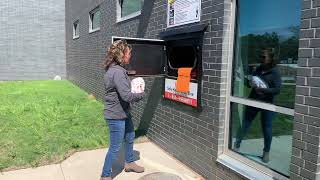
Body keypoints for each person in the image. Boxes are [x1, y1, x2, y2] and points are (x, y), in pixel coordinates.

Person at [101, 39, 145, 180]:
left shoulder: (115, 70)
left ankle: (130, 163)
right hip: (116, 115)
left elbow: (121, 90)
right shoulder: (118, 72)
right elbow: (126, 95)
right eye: (128, 53)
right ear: (121, 54)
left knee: (130, 136)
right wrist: (140, 95)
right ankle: (105, 175)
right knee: (115, 147)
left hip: (123, 113)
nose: (130, 56)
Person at [234, 48, 282, 163]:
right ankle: (237, 144)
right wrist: (244, 80)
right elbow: (251, 84)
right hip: (253, 101)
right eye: (260, 56)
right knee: (245, 123)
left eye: (264, 57)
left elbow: (277, 90)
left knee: (267, 128)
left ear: (270, 58)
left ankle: (266, 152)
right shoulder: (258, 69)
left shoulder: (275, 72)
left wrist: (263, 90)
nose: (261, 59)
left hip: (267, 103)